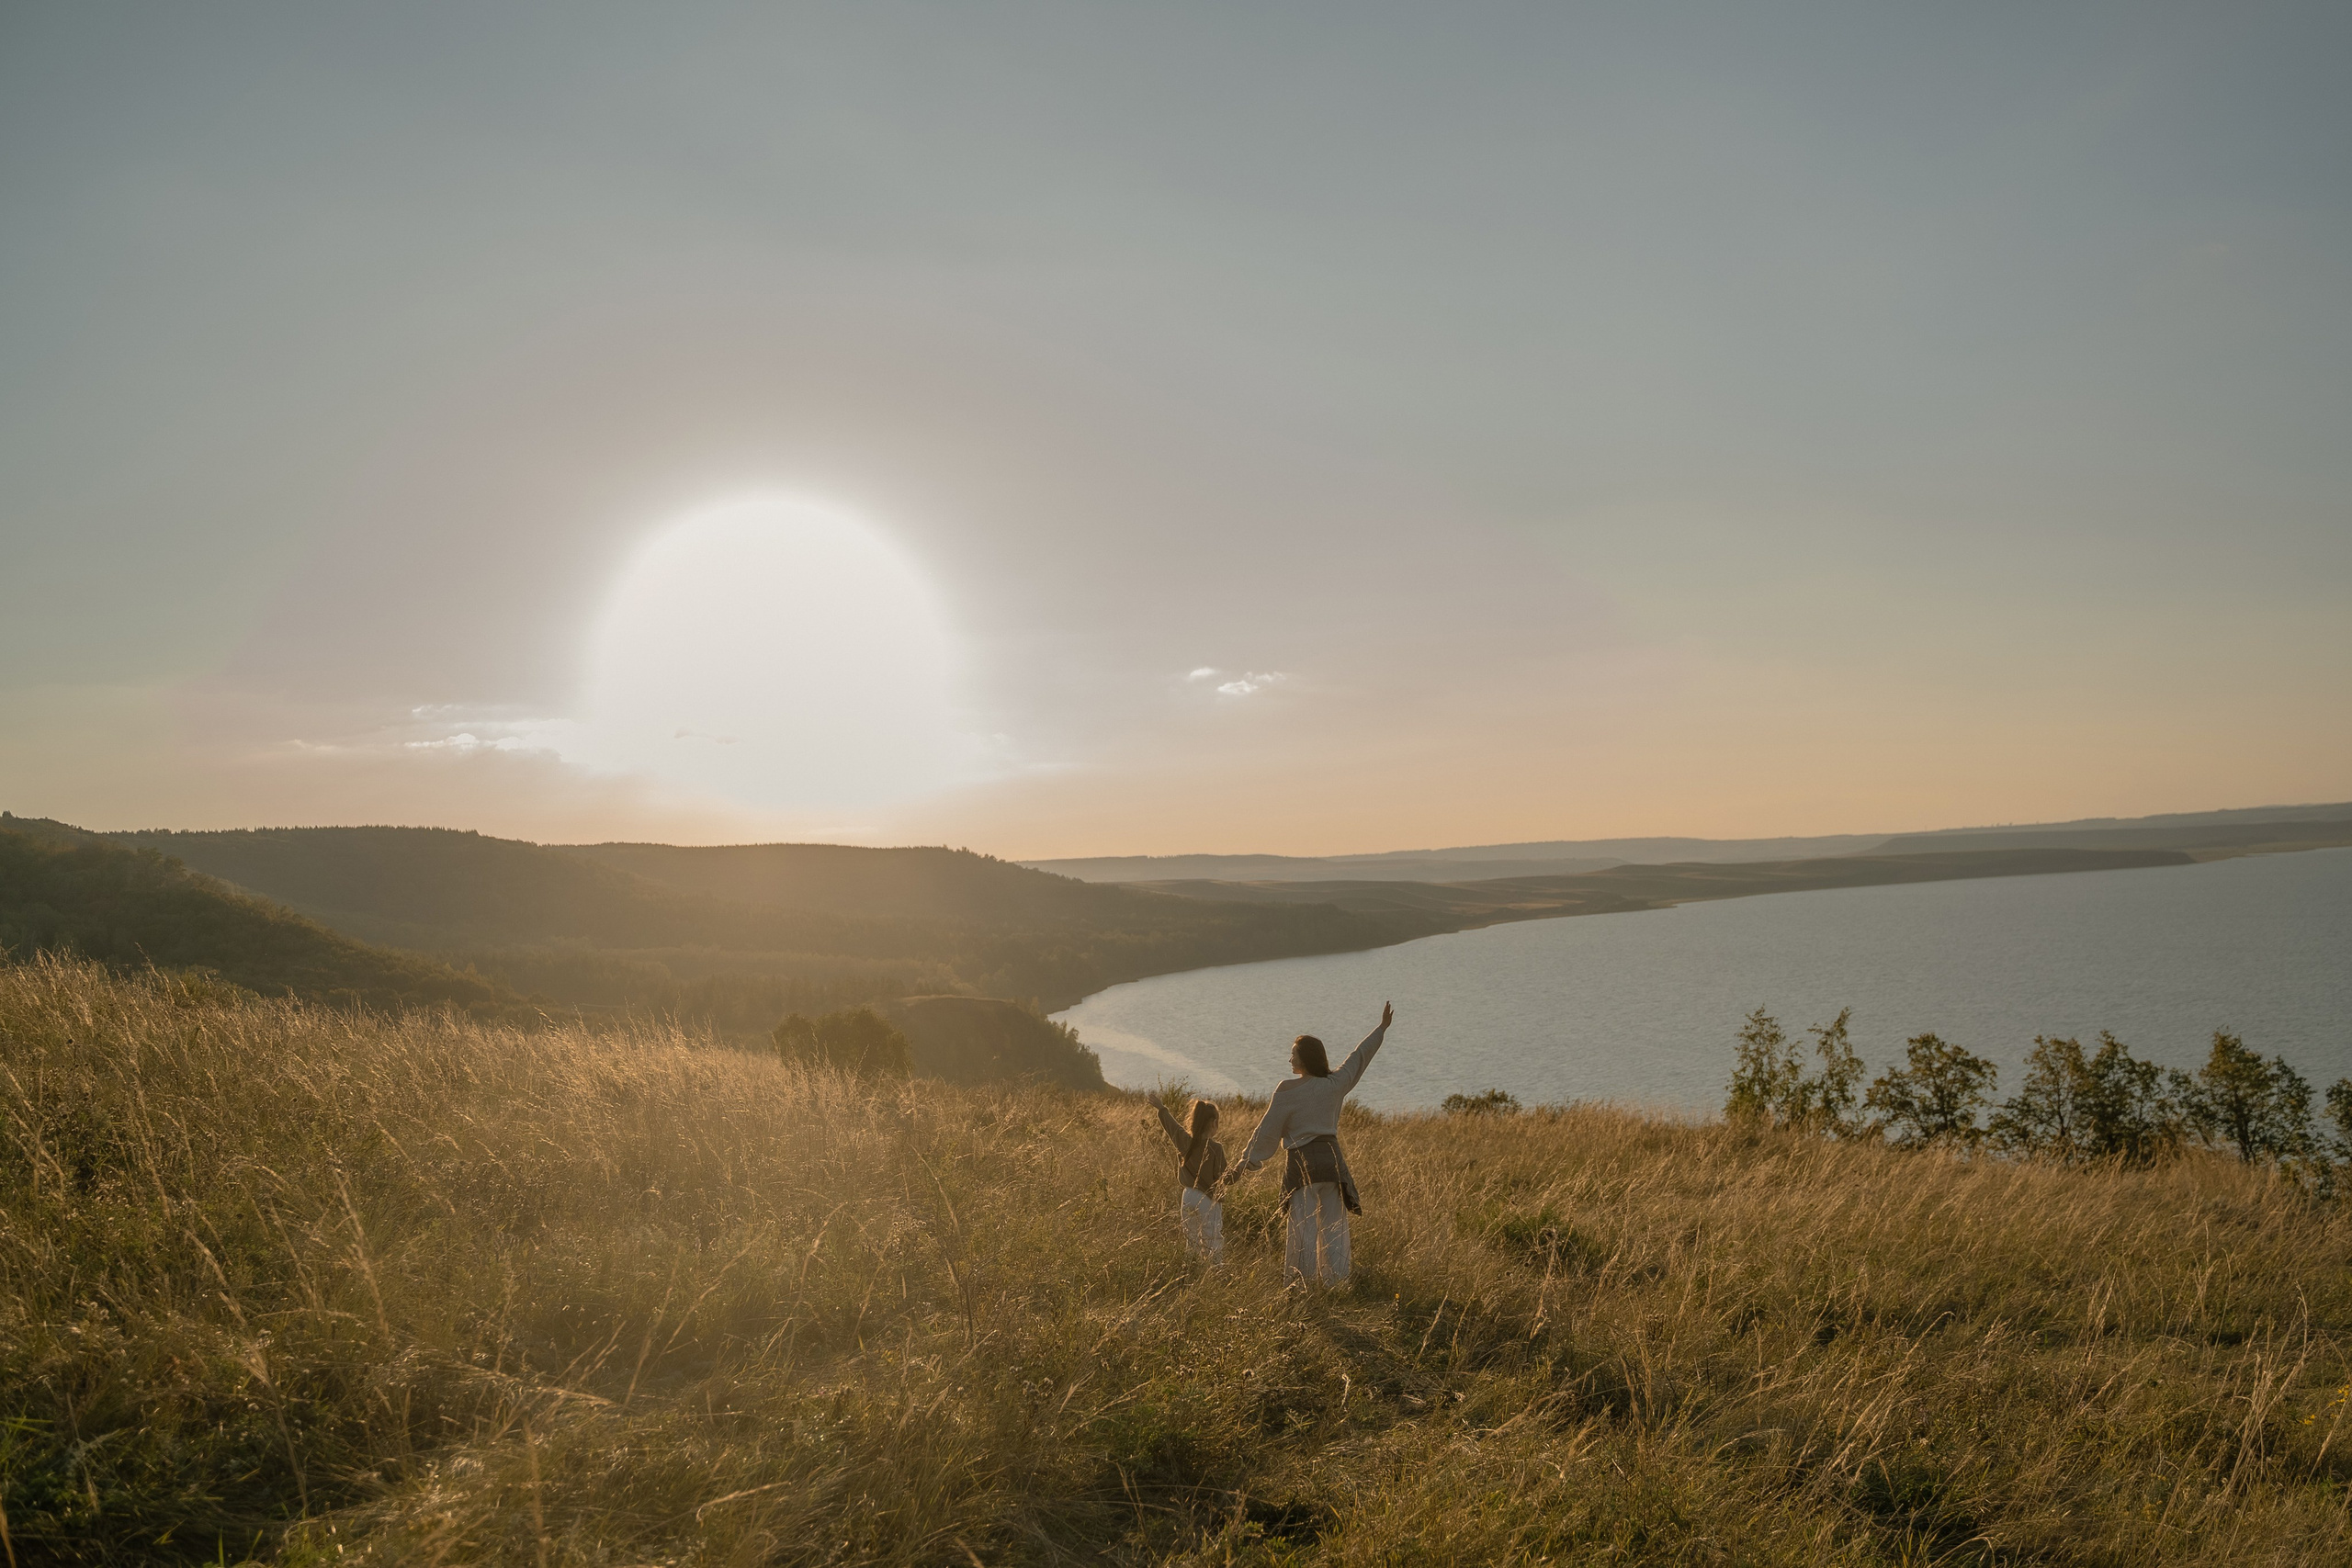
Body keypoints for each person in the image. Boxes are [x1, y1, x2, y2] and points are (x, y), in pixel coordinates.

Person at [1230, 1001, 1393, 1285]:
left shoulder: (1286, 1090)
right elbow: (1359, 1057)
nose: (1289, 1059)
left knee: (1303, 1230)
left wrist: (1245, 1162)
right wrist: (1380, 1029)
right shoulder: (1334, 1083)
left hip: (1302, 1167)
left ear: (1304, 1059)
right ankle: (1336, 1283)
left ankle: (1302, 1285)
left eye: (1293, 1054)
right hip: (1332, 1163)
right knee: (1334, 1227)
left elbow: (1265, 1132)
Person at [1147, 1091, 1228, 1264]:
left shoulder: (1185, 1141)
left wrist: (1162, 1108)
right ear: (1214, 1123)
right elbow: (1225, 1178)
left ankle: (1191, 1270)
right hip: (1208, 1200)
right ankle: (1216, 1272)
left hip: (1188, 1196)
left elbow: (1171, 1126)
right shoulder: (1216, 1149)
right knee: (1212, 1239)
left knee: (1191, 1240)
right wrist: (1244, 1166)